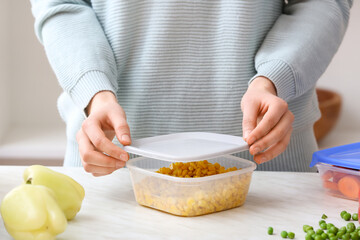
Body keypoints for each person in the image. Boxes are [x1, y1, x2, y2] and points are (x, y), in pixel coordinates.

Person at [30, 0, 352, 176]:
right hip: (111, 168)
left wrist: (273, 80)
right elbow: (61, 5)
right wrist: (95, 93)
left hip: (271, 173)